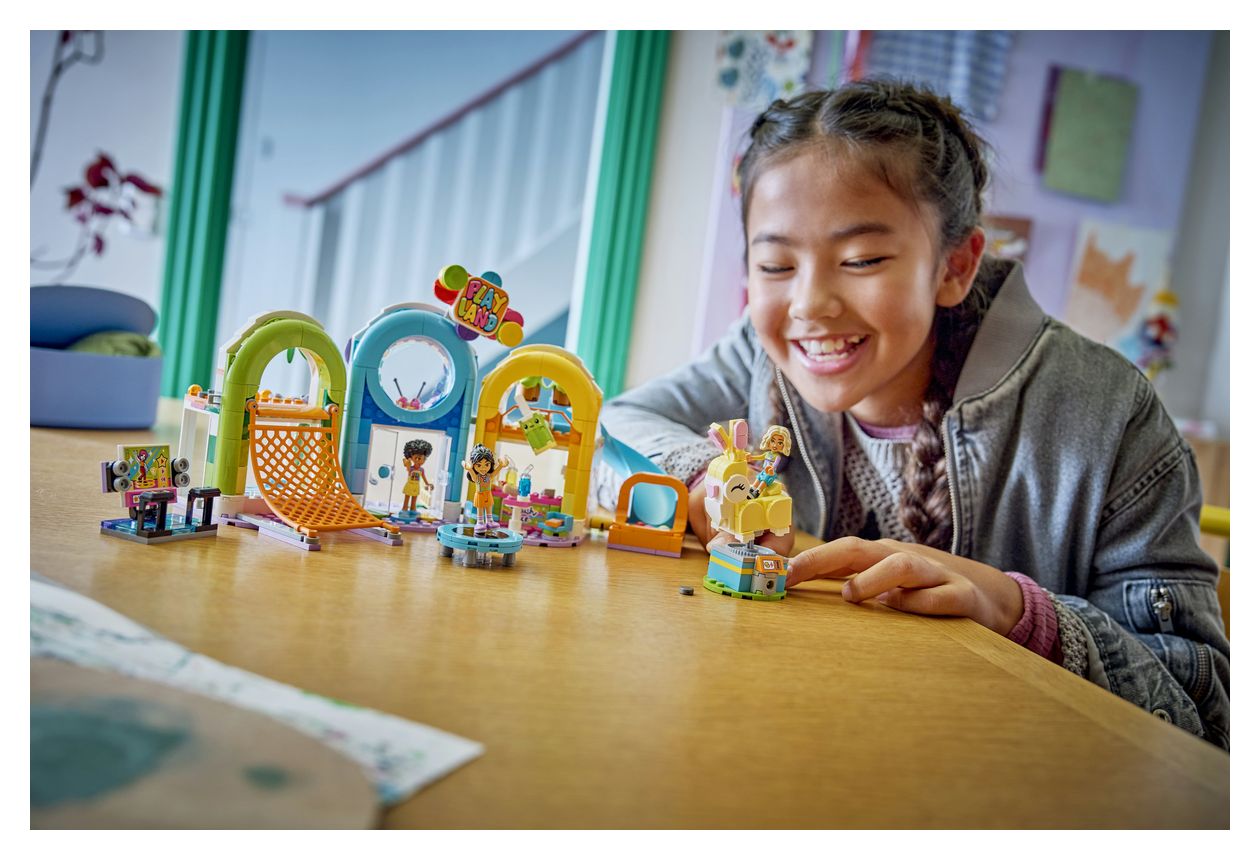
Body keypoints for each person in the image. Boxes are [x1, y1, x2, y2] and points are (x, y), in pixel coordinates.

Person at [599, 81, 1228, 748]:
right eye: (776, 264)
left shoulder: (1111, 418)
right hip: (795, 739)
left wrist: (1017, 612)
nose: (810, 304)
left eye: (862, 260)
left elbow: (1200, 719)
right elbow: (615, 424)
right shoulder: (759, 353)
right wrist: (703, 478)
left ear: (954, 265)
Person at [462, 444, 506, 533]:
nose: (483, 468)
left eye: (486, 464)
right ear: (474, 465)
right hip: (480, 494)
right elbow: (473, 477)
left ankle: (490, 521)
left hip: (488, 493)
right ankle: (480, 522)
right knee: (480, 508)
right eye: (479, 465)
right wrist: (469, 469)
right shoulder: (477, 477)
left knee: (489, 507)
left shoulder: (489, 475)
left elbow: (495, 473)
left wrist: (501, 466)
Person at [400, 439, 434, 513]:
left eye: (423, 459)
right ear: (411, 457)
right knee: (407, 497)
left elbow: (424, 478)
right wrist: (407, 463)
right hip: (409, 485)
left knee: (414, 498)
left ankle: (413, 509)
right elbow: (407, 467)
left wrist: (428, 484)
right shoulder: (411, 469)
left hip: (416, 486)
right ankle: (404, 508)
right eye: (418, 458)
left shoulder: (421, 470)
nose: (421, 461)